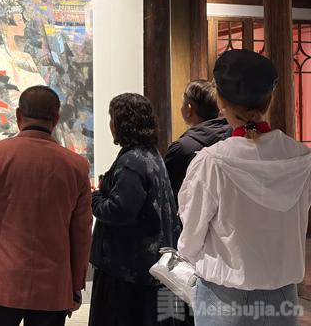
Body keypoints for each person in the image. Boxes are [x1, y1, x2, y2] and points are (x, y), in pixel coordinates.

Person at [178, 49, 311, 325]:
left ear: (221, 101)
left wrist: (187, 257)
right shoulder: (301, 158)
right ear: (269, 99)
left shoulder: (213, 161)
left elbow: (191, 236)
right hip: (283, 293)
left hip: (223, 294)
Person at [0, 85, 92, 326]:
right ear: (56, 119)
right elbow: (81, 234)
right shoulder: (77, 166)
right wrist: (75, 286)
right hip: (53, 286)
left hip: (0, 281)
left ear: (18, 115)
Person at [89, 93, 181, 326]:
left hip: (127, 274)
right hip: (148, 270)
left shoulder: (132, 162)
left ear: (121, 123)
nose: (110, 125)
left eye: (112, 118)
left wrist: (96, 197)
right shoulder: (151, 154)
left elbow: (120, 210)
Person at [164, 80, 231, 203]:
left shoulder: (182, 148)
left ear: (189, 109)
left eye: (183, 103)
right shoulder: (233, 138)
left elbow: (166, 195)